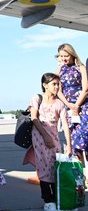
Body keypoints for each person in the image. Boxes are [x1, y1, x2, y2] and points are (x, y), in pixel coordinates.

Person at [25, 73, 72, 211]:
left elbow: (65, 125)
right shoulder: (37, 99)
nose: (57, 86)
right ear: (45, 85)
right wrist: (45, 136)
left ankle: (57, 197)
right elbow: (34, 118)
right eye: (54, 84)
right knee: (43, 168)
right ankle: (48, 199)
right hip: (40, 137)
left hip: (54, 138)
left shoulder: (60, 104)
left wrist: (69, 146)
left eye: (58, 84)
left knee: (56, 167)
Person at [55, 44, 88, 178]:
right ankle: (79, 176)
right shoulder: (59, 70)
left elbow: (86, 88)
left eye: (66, 56)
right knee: (74, 143)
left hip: (83, 107)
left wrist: (77, 105)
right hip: (68, 108)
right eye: (61, 56)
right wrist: (69, 105)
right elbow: (57, 89)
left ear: (72, 54)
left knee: (84, 140)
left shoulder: (81, 68)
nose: (64, 59)